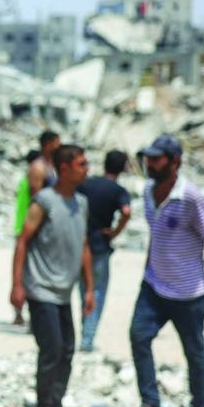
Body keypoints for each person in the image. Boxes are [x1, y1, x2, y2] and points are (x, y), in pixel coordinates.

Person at [125, 135, 204, 407]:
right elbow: (156, 236)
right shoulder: (148, 191)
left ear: (175, 161)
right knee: (139, 336)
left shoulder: (190, 197)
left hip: (187, 291)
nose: (150, 164)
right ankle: (151, 406)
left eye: (157, 159)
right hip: (154, 286)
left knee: (194, 352)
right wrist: (148, 269)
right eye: (148, 158)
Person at [10, 144, 94, 407]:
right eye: (81, 164)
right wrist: (17, 285)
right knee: (52, 348)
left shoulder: (81, 203)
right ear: (65, 168)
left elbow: (84, 246)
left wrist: (90, 288)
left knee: (68, 349)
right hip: (41, 287)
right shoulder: (44, 201)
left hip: (64, 291)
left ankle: (56, 405)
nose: (87, 169)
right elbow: (22, 241)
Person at [75, 150, 132, 351]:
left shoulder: (86, 184)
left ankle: (83, 333)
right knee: (97, 291)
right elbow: (126, 212)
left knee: (83, 290)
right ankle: (87, 339)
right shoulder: (118, 190)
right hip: (100, 244)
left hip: (80, 242)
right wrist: (115, 232)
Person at [11, 149, 42, 326]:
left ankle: (19, 313)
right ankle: (27, 313)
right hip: (29, 229)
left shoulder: (24, 180)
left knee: (21, 272)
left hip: (21, 228)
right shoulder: (33, 181)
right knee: (28, 274)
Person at [27, 130, 61, 196]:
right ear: (48, 144)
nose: (59, 146)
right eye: (57, 143)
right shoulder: (38, 167)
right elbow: (36, 196)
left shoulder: (54, 165)